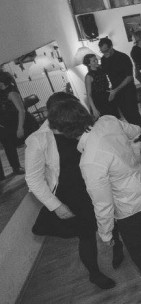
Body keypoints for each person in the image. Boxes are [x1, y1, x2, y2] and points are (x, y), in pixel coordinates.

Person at [49, 99, 141, 304]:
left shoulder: (90, 160)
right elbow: (136, 130)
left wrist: (105, 233)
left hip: (129, 206)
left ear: (65, 130)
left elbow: (102, 203)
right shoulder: (108, 121)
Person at [25, 92, 123, 290]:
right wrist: (56, 206)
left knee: (112, 217)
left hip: (95, 183)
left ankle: (117, 247)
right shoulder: (38, 139)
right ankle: (94, 274)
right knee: (86, 234)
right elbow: (33, 179)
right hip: (71, 194)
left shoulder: (79, 123)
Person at [98, 38, 141, 153]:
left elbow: (129, 77)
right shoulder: (103, 59)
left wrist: (115, 90)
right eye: (102, 51)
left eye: (106, 50)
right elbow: (105, 74)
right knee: (127, 117)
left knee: (134, 116)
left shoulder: (123, 57)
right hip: (117, 92)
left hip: (128, 90)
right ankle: (138, 135)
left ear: (111, 47)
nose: (104, 53)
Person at [83, 53, 119, 119]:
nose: (96, 61)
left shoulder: (101, 70)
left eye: (96, 59)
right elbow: (89, 95)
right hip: (98, 102)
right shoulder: (88, 76)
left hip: (108, 98)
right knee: (106, 122)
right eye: (94, 61)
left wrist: (111, 91)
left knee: (115, 119)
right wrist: (94, 109)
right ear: (89, 64)